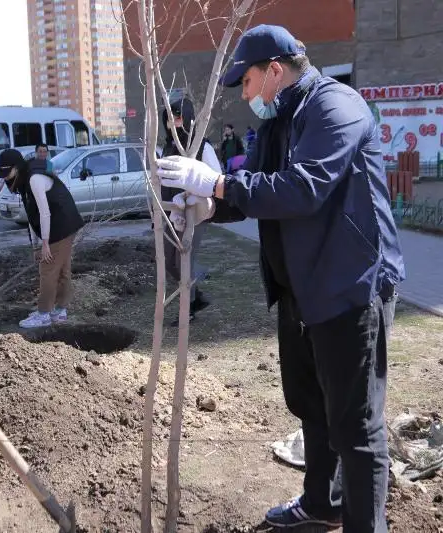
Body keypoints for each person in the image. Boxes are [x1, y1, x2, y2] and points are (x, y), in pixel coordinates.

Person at [156, 24, 404, 533]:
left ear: (274, 70)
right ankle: (322, 503)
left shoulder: (336, 108)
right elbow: (255, 192)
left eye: (245, 83)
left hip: (350, 286)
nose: (244, 96)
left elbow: (303, 188)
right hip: (302, 289)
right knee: (311, 403)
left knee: (356, 425)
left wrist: (220, 182)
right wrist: (207, 208)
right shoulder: (280, 120)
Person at [0, 148, 83, 328]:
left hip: (61, 224)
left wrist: (44, 244)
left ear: (17, 167)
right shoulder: (23, 182)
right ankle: (59, 312)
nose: (5, 178)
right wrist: (35, 244)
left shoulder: (34, 179)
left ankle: (44, 314)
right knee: (61, 269)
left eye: (7, 173)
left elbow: (44, 213)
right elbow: (31, 215)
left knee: (48, 268)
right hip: (64, 223)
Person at [160, 97, 221, 321]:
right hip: (170, 215)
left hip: (195, 214)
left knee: (183, 262)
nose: (173, 123)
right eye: (168, 118)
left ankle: (188, 311)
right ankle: (196, 296)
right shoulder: (167, 147)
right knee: (169, 261)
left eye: (177, 117)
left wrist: (191, 196)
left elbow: (216, 180)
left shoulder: (202, 147)